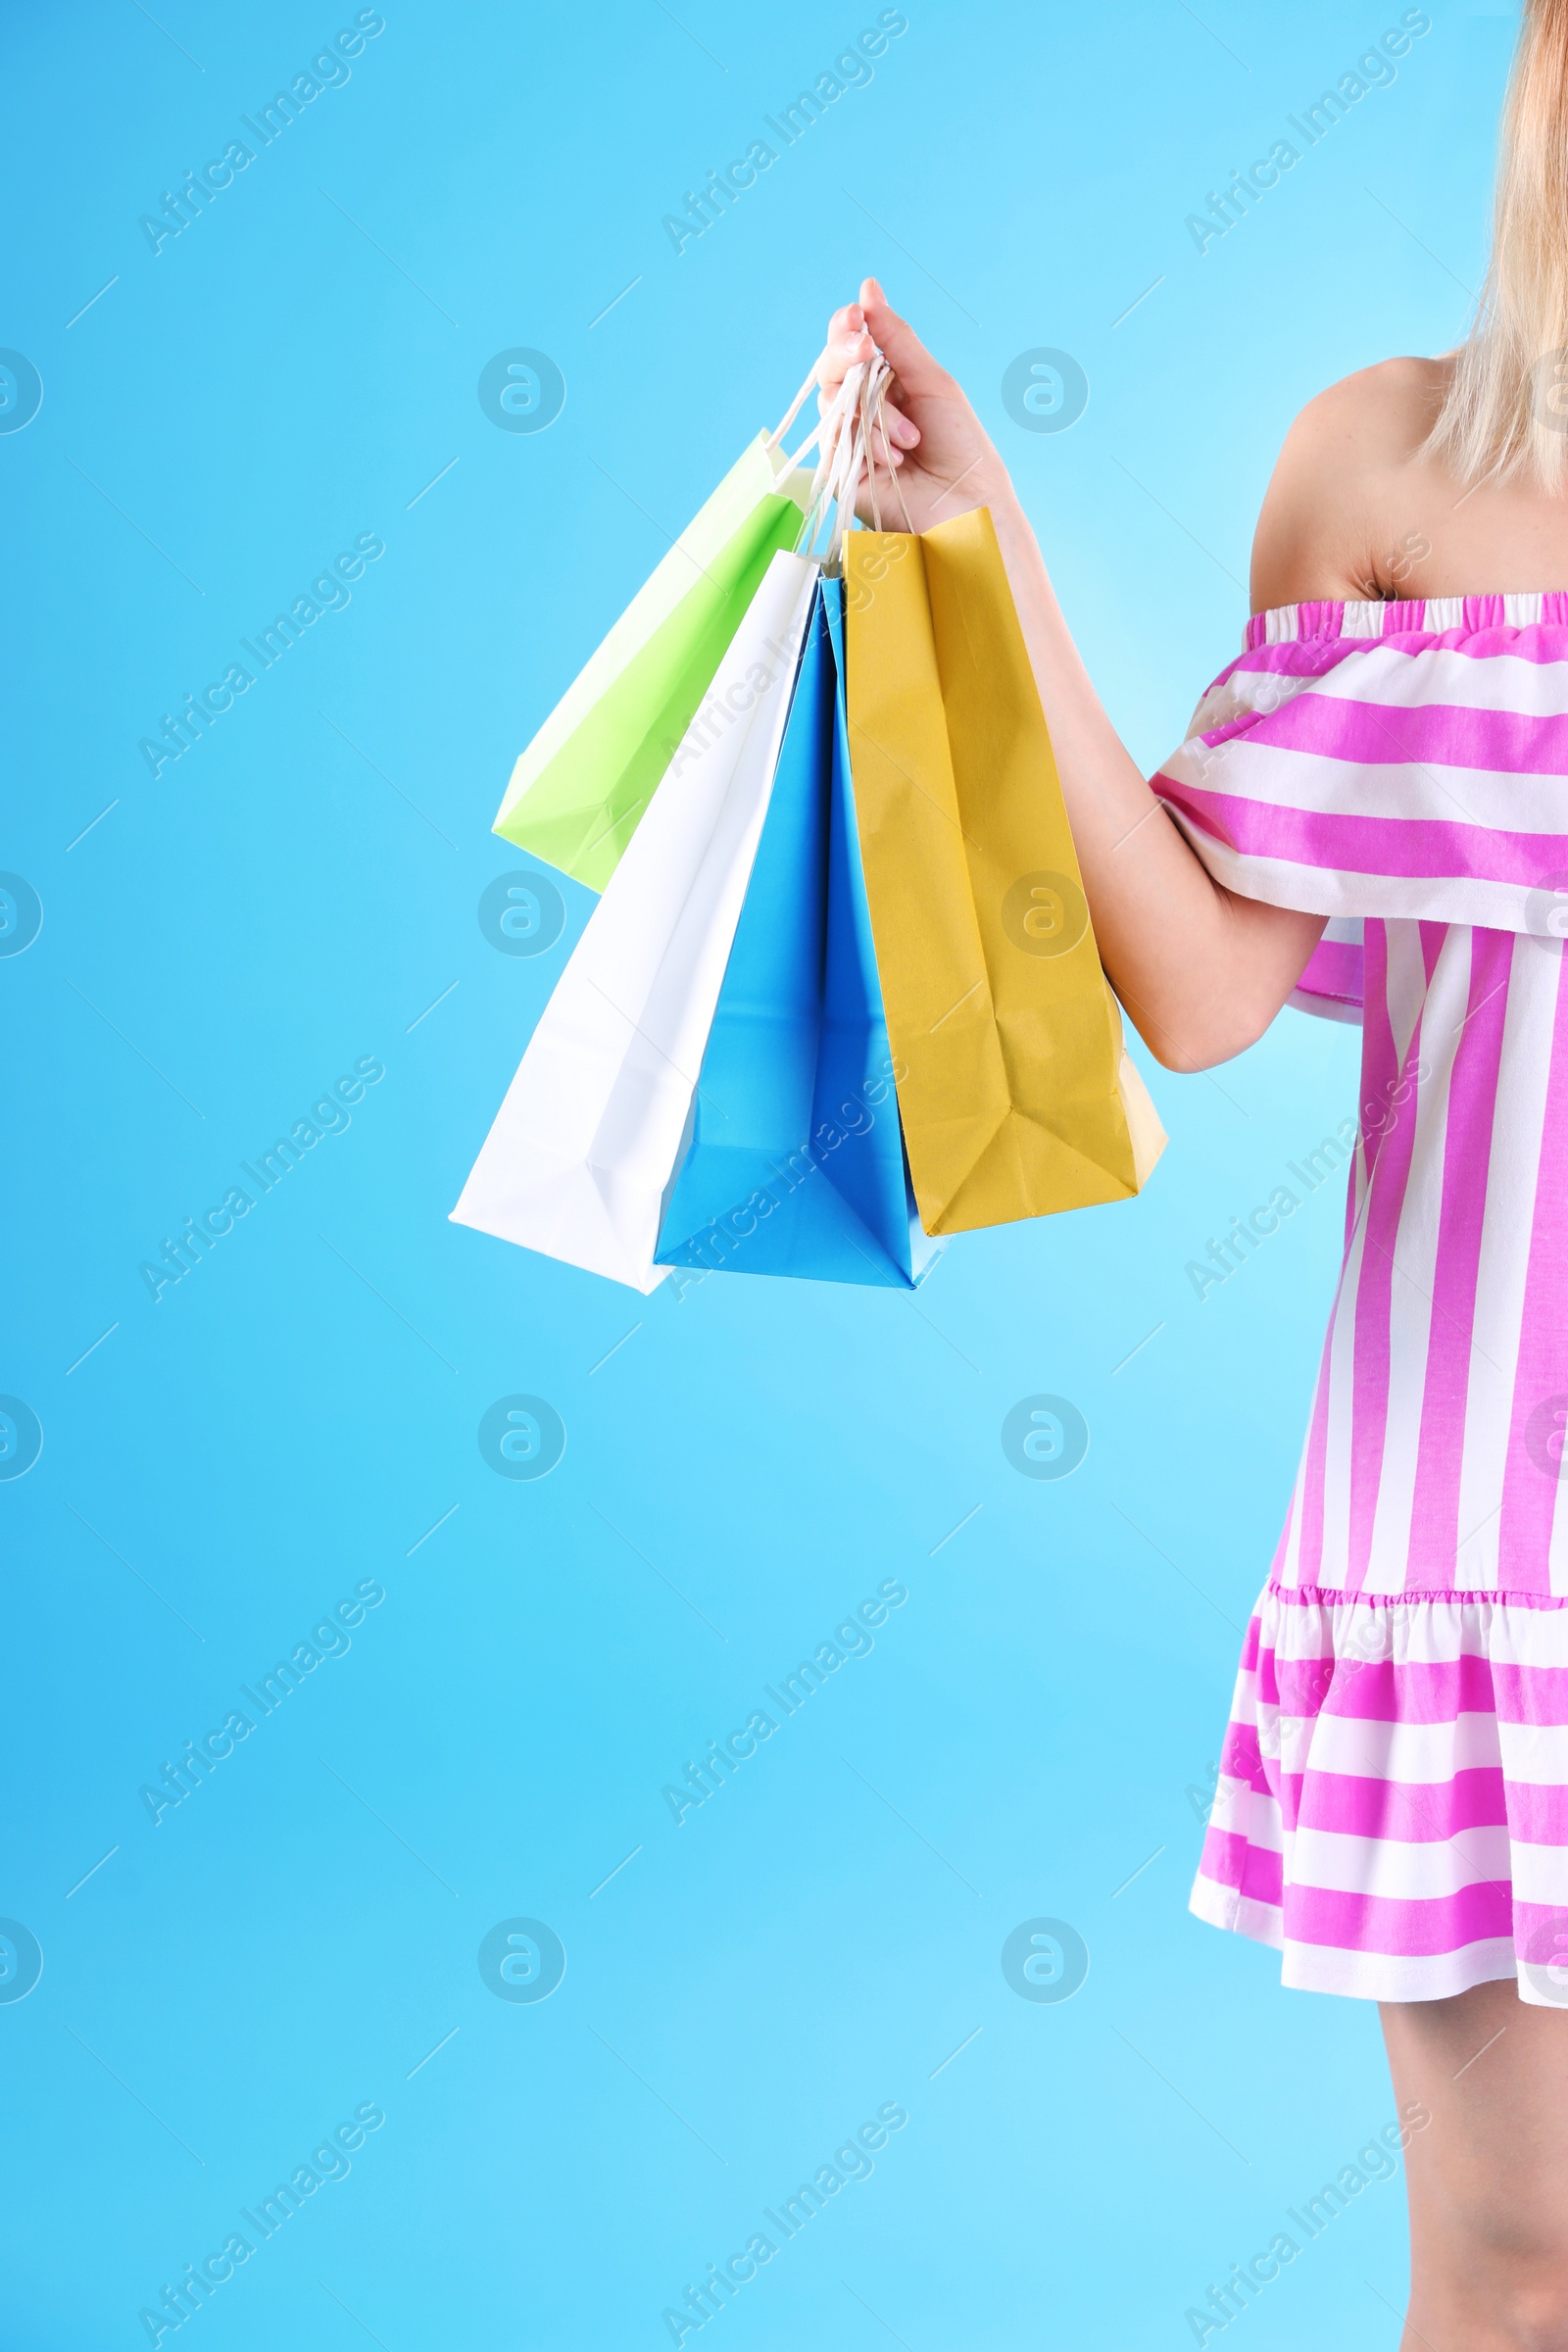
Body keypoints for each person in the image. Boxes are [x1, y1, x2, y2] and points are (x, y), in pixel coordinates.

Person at [818, 7, 1568, 2344]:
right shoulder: (1387, 465)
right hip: (1474, 1527)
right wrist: (985, 544)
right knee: (1516, 2243)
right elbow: (1203, 983)